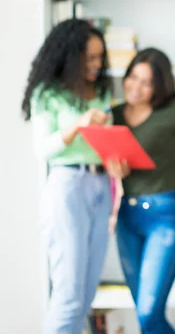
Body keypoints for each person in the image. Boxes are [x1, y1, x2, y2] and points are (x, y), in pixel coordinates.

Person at [106, 48, 175, 334]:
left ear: (160, 86)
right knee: (144, 316)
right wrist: (114, 168)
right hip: (126, 219)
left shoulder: (174, 111)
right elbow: (107, 160)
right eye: (132, 77)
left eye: (147, 82)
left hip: (166, 216)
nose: (135, 86)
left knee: (148, 314)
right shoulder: (114, 114)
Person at [21, 18, 113, 334]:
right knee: (69, 294)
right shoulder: (48, 93)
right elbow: (43, 150)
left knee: (86, 295)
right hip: (68, 186)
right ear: (71, 56)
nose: (96, 64)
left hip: (103, 184)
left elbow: (104, 144)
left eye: (100, 57)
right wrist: (78, 125)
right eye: (89, 58)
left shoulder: (101, 90)